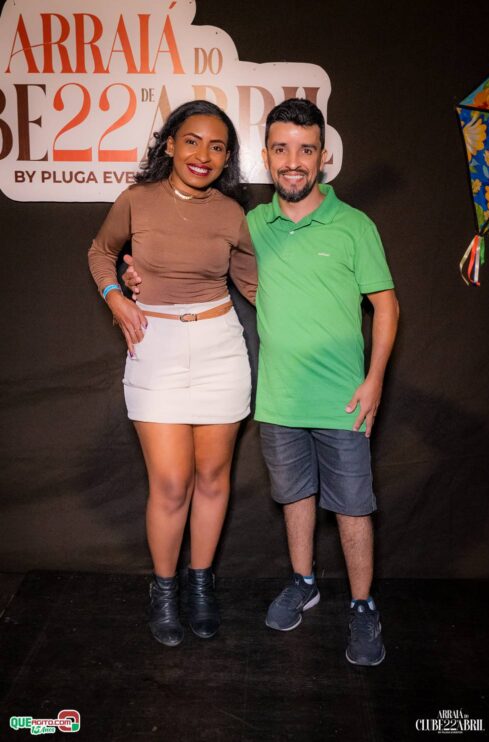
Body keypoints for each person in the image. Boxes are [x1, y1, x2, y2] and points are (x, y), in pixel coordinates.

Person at [123, 98, 399, 666]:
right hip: (277, 398)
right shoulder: (248, 224)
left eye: (305, 150)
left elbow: (387, 306)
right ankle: (303, 582)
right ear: (267, 157)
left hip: (344, 399)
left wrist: (374, 381)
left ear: (323, 158)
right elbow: (192, 258)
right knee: (294, 497)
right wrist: (134, 274)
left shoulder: (354, 226)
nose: (293, 161)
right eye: (281, 149)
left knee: (352, 508)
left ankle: (363, 606)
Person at [88, 100, 257, 648]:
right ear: (170, 144)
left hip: (219, 348)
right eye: (192, 140)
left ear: (227, 158)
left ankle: (200, 584)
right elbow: (101, 252)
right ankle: (164, 589)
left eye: (216, 146)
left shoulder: (232, 215)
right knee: (169, 482)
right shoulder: (136, 201)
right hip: (154, 345)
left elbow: (255, 286)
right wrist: (117, 296)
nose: (202, 154)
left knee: (212, 478)